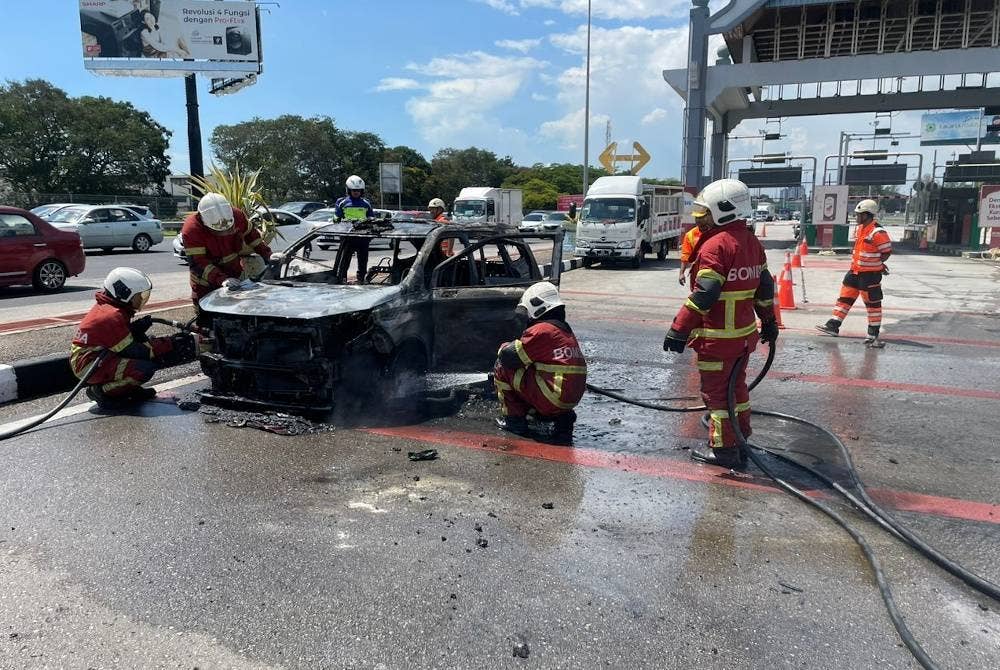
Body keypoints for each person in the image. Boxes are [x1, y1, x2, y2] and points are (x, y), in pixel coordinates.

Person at [662, 179, 778, 469]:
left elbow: (706, 293)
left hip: (717, 340)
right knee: (736, 391)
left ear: (723, 211)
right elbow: (764, 286)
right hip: (742, 338)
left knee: (716, 395)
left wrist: (679, 328)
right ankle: (740, 439)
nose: (699, 222)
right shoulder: (751, 242)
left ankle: (724, 450)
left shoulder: (716, 246)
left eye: (704, 215)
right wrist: (769, 321)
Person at [71, 268, 194, 409]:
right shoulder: (111, 316)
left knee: (146, 346)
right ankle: (101, 392)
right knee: (143, 369)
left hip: (97, 356)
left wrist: (136, 329)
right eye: (139, 296)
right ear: (124, 293)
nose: (142, 299)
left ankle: (126, 390)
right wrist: (169, 343)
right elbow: (136, 351)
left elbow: (118, 340)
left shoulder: (112, 308)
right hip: (88, 363)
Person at [494, 282, 588, 444]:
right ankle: (562, 420)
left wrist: (502, 347)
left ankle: (514, 421)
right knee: (531, 371)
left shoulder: (542, 330)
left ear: (536, 306)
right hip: (568, 401)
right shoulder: (563, 330)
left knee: (502, 367)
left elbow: (510, 356)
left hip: (552, 398)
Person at [180, 193, 272, 319]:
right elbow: (198, 263)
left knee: (239, 316)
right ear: (204, 221)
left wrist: (269, 255)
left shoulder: (237, 216)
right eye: (219, 231)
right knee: (207, 320)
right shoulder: (192, 229)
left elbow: (253, 237)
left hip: (235, 275)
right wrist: (221, 279)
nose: (225, 233)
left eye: (228, 229)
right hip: (205, 284)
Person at [816, 199, 892, 347]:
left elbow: (886, 252)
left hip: (870, 275)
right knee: (844, 299)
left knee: (873, 305)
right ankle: (833, 325)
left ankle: (872, 335)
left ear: (866, 215)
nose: (856, 217)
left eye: (858, 215)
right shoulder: (859, 229)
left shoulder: (878, 232)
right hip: (854, 272)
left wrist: (877, 264)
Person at [334, 175, 375, 282]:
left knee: (363, 260)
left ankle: (361, 279)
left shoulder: (366, 203)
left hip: (362, 236)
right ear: (348, 190)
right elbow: (336, 218)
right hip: (347, 236)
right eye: (353, 190)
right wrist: (336, 220)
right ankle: (342, 279)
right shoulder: (342, 202)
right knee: (344, 260)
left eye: (358, 190)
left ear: (362, 191)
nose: (356, 192)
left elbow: (371, 218)